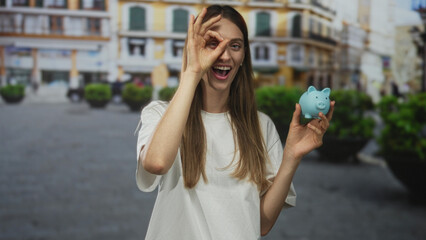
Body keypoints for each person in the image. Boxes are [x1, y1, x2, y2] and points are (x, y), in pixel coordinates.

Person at [136, 5, 335, 240]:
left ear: (243, 57)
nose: (225, 55)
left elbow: (261, 224)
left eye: (235, 45)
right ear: (194, 48)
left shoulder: (261, 126)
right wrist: (192, 71)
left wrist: (292, 156)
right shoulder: (159, 114)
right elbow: (157, 163)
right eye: (213, 43)